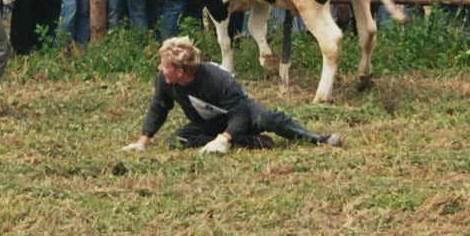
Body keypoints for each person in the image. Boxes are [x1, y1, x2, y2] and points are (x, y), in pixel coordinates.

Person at [121, 35, 341, 154]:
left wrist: (225, 138)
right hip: (209, 123)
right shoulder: (165, 80)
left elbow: (240, 112)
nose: (159, 68)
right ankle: (248, 142)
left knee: (268, 118)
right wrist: (143, 141)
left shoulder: (218, 79)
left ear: (179, 71)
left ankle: (319, 139)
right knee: (176, 141)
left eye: (164, 65)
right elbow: (159, 107)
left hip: (241, 114)